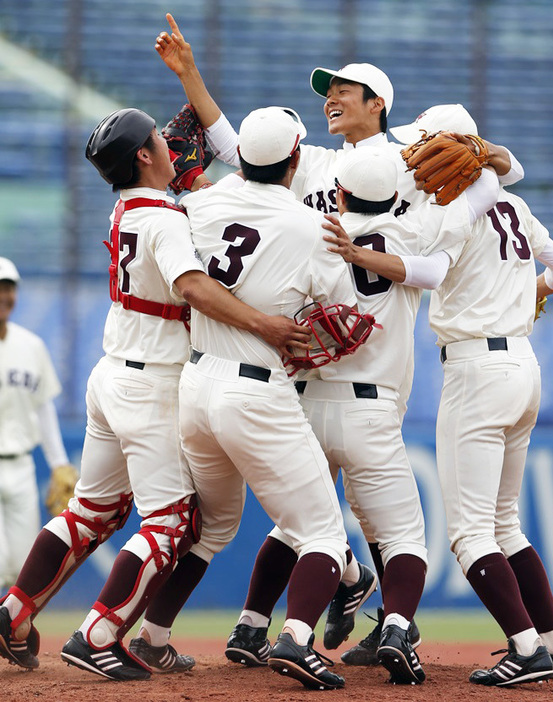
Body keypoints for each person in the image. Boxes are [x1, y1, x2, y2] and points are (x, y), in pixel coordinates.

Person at [150, 14, 527, 660]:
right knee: (362, 518)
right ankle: (367, 624)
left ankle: (274, 620)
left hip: (323, 361)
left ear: (379, 103)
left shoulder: (406, 155)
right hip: (345, 371)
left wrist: (494, 154)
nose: (331, 96)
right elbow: (240, 145)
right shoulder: (326, 163)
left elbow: (498, 169)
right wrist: (192, 78)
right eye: (327, 89)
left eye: (345, 89)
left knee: (314, 518)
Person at [0, 107, 309, 680]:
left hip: (112, 372)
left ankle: (13, 612)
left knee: (91, 511)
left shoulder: (129, 207)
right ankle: (98, 635)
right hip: (151, 382)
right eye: (158, 142)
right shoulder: (165, 218)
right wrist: (265, 325)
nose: (171, 146)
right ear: (143, 156)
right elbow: (192, 286)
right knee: (171, 521)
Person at [174, 105, 372, 692]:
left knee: (207, 528)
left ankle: (158, 632)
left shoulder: (199, 204)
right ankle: (297, 639)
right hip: (256, 387)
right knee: (323, 533)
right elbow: (339, 318)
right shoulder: (311, 226)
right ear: (294, 159)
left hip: (195, 382)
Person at [389, 104, 553, 686]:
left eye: (424, 146)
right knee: (506, 523)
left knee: (471, 532)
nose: (416, 157)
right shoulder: (514, 206)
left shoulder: (450, 213)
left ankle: (526, 650)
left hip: (474, 369)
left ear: (449, 150)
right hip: (523, 366)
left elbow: (419, 265)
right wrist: (532, 295)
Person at [0, 258, 76, 594]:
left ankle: (7, 631)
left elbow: (44, 410)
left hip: (21, 466)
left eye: (8, 288)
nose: (4, 295)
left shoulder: (31, 346)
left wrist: (59, 463)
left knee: (20, 566)